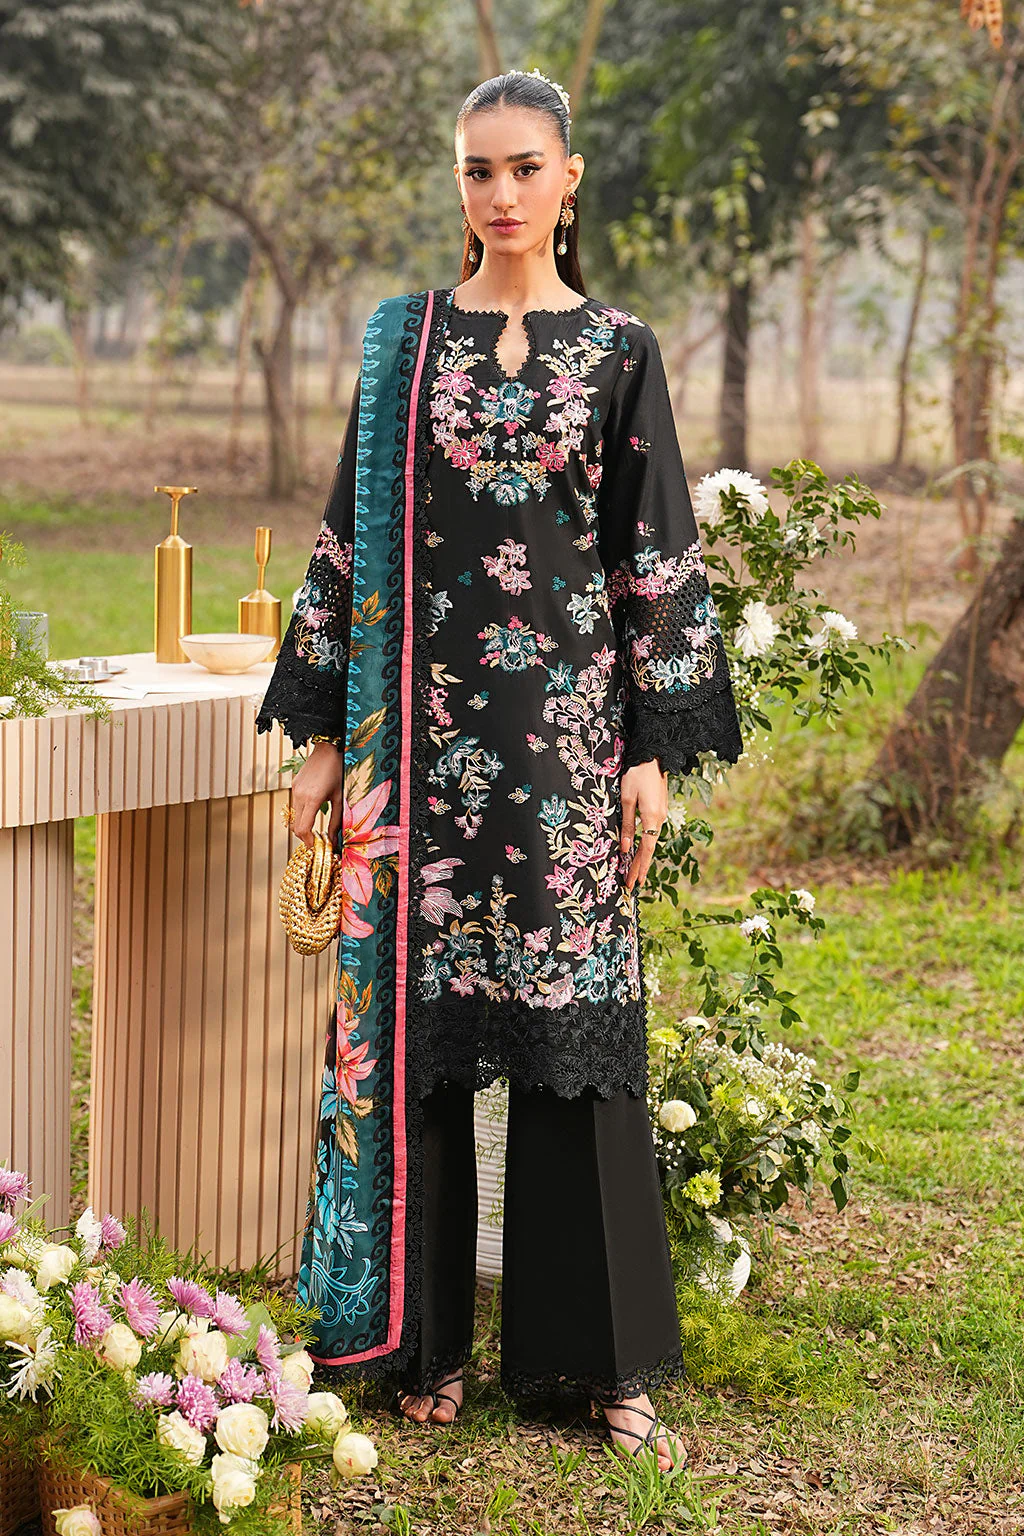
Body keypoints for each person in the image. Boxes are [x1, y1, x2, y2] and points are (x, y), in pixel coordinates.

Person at [255, 67, 743, 1475]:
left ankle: (598, 1364)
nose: (502, 193)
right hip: (416, 751)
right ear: (459, 184)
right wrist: (322, 739)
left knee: (574, 1040)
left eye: (526, 167)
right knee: (418, 1044)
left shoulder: (618, 350)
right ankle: (421, 1346)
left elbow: (652, 551)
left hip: (566, 750)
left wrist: (650, 750)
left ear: (569, 178)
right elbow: (348, 536)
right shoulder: (403, 343)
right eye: (478, 170)